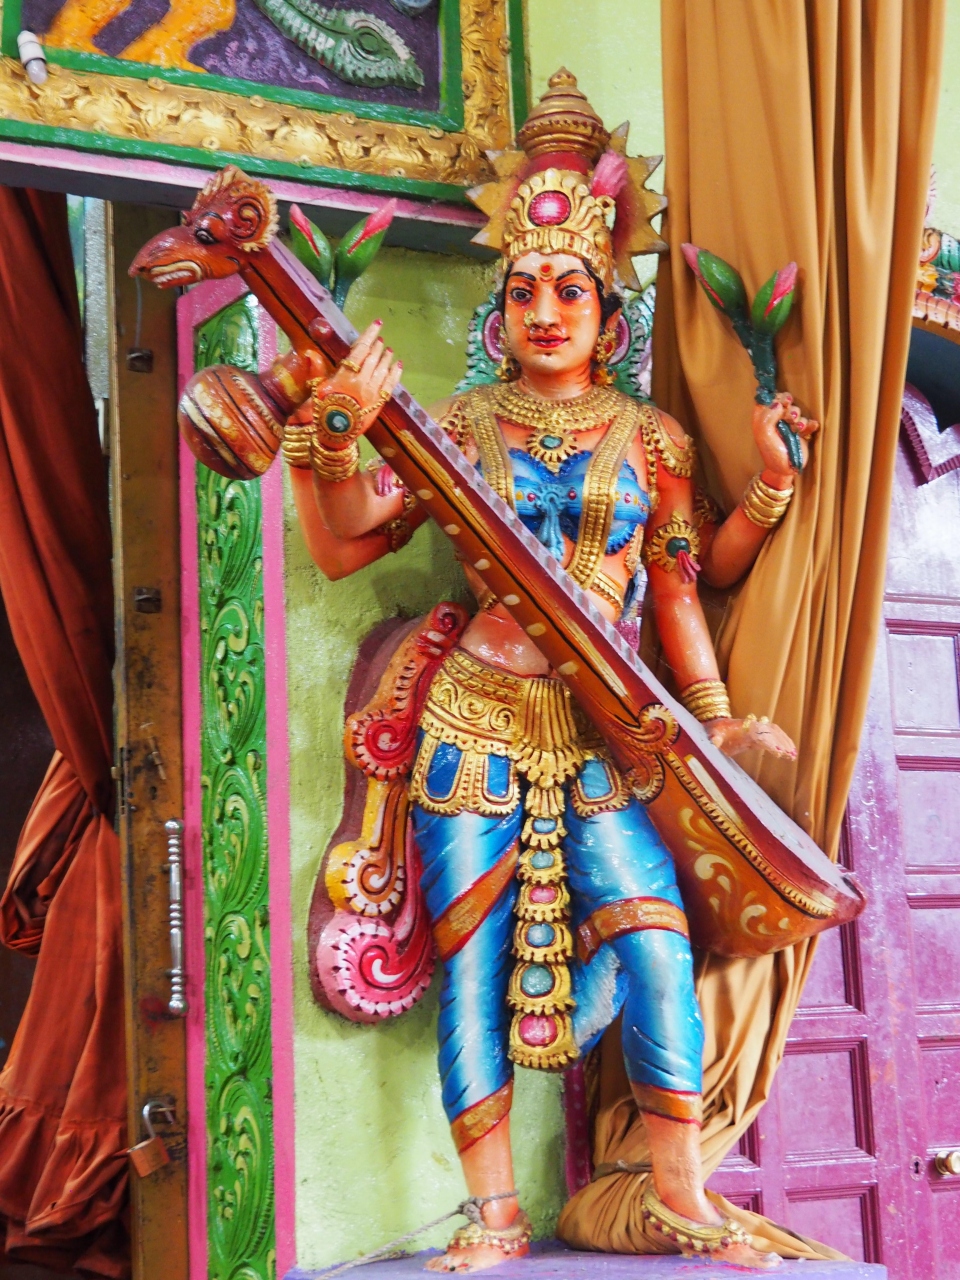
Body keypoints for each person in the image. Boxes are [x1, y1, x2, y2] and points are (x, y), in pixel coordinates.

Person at [284, 71, 816, 1273]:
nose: (545, 307)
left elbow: (685, 582)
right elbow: (344, 543)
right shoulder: (462, 425)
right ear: (500, 311)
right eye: (523, 287)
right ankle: (493, 1215)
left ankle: (680, 1190)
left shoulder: (652, 438)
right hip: (472, 723)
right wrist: (330, 437)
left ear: (610, 314)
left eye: (571, 286)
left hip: (606, 731)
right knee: (470, 965)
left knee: (656, 938)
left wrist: (717, 708)